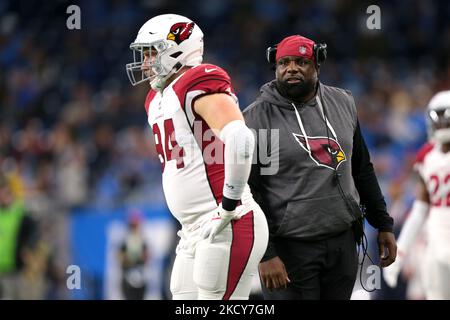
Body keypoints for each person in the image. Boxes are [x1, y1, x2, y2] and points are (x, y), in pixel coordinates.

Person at [125, 14, 268, 300]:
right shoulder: (156, 99)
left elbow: (240, 140)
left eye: (151, 52)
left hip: (228, 220)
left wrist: (229, 206)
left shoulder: (196, 82)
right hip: (192, 230)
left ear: (178, 49)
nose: (144, 63)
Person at [243, 35, 397, 299]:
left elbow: (361, 168)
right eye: (284, 63)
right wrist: (265, 254)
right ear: (275, 67)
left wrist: (383, 224)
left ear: (317, 65)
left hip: (342, 243)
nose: (291, 68)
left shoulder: (343, 103)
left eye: (301, 62)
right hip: (290, 250)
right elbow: (251, 191)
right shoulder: (258, 118)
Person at [383, 90, 450, 299]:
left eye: (445, 116)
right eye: (436, 117)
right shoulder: (427, 156)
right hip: (435, 243)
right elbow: (420, 210)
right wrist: (400, 253)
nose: (441, 123)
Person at [118, 209, 149, 300]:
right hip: (128, 279)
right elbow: (120, 258)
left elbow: (146, 257)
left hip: (140, 279)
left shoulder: (142, 240)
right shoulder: (125, 240)